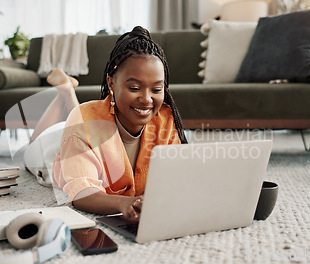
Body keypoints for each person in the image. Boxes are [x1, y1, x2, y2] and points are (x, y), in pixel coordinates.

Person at [24, 26, 188, 222]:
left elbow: (177, 176)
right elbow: (81, 192)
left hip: (85, 128)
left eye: (156, 89)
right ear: (111, 84)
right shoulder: (83, 121)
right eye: (134, 87)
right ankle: (66, 91)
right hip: (51, 148)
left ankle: (67, 91)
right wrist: (123, 203)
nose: (146, 99)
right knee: (35, 141)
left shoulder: (165, 119)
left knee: (83, 118)